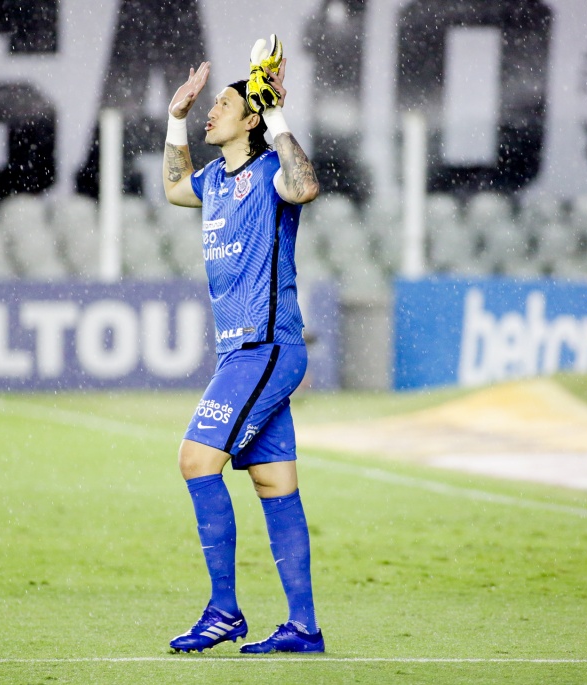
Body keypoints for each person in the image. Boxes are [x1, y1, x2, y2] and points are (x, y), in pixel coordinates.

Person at [161, 47, 324, 654]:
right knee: (273, 482)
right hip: (241, 356)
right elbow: (176, 188)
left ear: (250, 118)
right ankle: (304, 627)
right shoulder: (214, 180)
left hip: (267, 349)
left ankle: (224, 611)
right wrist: (176, 117)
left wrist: (277, 113)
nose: (212, 113)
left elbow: (305, 186)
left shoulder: (270, 174)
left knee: (195, 460)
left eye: (222, 105)